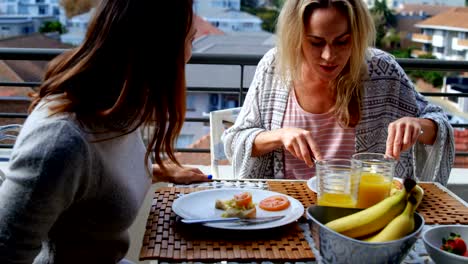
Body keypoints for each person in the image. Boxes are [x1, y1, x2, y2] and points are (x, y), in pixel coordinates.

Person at [0, 0, 210, 263]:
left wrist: (157, 171)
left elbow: (93, 183)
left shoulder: (116, 108)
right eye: (190, 39)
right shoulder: (59, 142)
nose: (190, 54)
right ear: (158, 50)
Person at [222, 0, 454, 185]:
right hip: (286, 210)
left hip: (365, 210)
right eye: (315, 42)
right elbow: (234, 141)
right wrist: (279, 136)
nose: (328, 56)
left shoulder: (381, 69)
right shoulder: (275, 66)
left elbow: (439, 123)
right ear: (296, 37)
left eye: (342, 42)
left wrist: (418, 125)